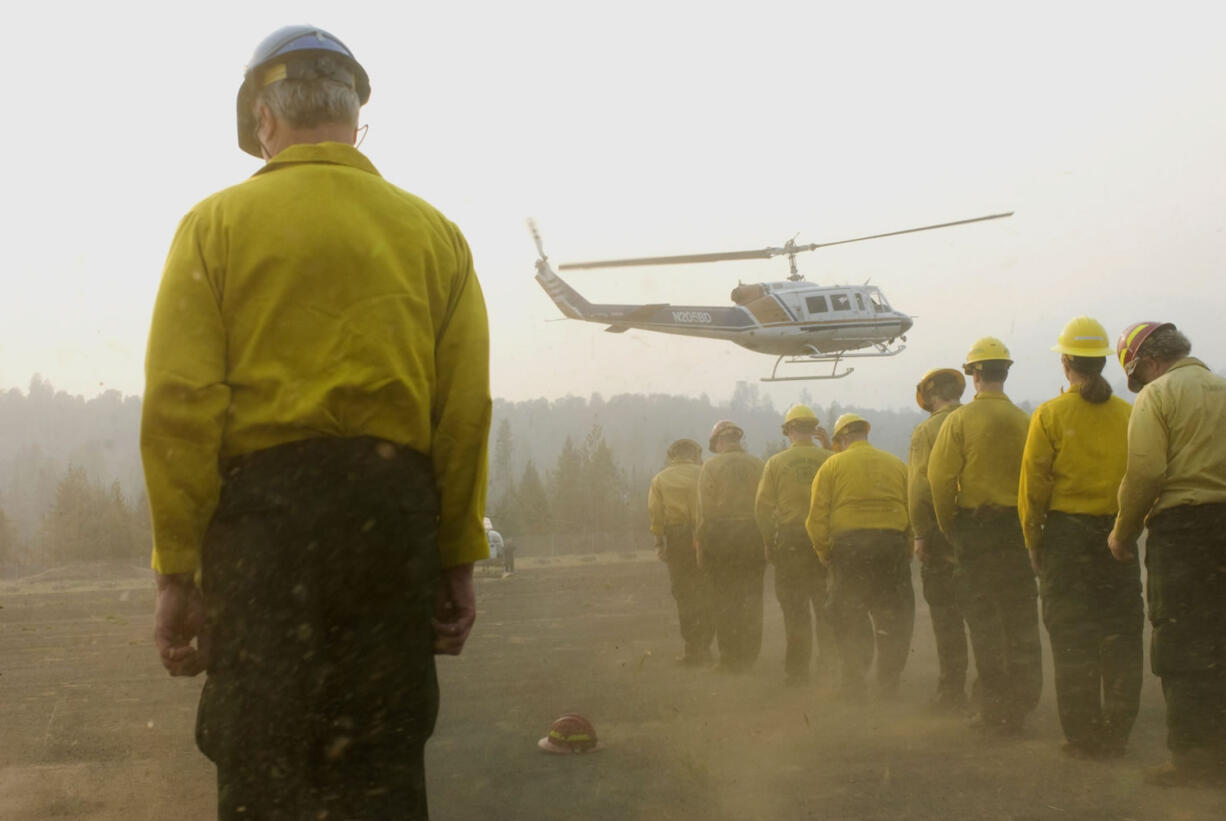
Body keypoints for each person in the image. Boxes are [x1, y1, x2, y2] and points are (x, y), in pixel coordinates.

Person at [142, 26, 490, 820]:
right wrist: (457, 557)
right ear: (355, 118)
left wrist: (176, 573)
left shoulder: (213, 227)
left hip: (264, 531)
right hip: (389, 522)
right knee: (382, 756)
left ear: (263, 120)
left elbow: (180, 409)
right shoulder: (437, 236)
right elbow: (463, 413)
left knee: (261, 754)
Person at [1108, 321, 1226, 786]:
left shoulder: (1157, 397)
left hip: (1184, 533)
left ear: (1148, 363)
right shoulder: (1222, 388)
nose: (1140, 386)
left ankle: (1193, 761)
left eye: (1138, 378)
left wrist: (1123, 531)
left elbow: (1145, 473)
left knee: (1181, 644)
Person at [1019, 317, 1140, 759]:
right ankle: (1118, 732)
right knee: (1122, 636)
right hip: (1116, 536)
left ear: (1066, 362)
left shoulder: (1049, 415)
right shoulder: (1128, 415)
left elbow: (1033, 487)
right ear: (1103, 362)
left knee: (1072, 638)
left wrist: (1033, 542)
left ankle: (1083, 736)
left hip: (1066, 540)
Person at [928, 337, 1041, 736]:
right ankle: (1022, 704)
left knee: (985, 622)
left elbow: (940, 480)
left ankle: (994, 709)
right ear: (1005, 372)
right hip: (1016, 529)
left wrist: (948, 526)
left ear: (973, 374)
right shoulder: (1024, 421)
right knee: (1019, 619)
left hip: (975, 530)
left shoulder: (958, 422)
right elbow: (1037, 480)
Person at [806, 413, 914, 700]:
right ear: (865, 434)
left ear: (840, 439)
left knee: (850, 616)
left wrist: (825, 553)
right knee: (894, 617)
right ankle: (888, 686)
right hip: (890, 546)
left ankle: (854, 684)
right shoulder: (896, 464)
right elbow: (911, 510)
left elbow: (815, 518)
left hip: (850, 548)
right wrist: (905, 547)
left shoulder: (832, 465)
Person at [755, 405, 837, 686]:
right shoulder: (829, 458)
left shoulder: (775, 463)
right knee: (825, 607)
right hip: (824, 540)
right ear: (814, 429)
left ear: (789, 430)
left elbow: (762, 508)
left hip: (790, 540)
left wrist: (768, 541)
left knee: (795, 610)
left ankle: (797, 673)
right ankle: (830, 668)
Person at [909, 368, 973, 710]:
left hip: (941, 530)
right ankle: (993, 690)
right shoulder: (977, 420)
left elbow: (920, 487)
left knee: (947, 617)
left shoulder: (927, 430)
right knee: (984, 612)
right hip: (985, 527)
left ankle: (952, 691)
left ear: (930, 396)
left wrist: (920, 534)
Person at [696, 420, 766, 672]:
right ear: (738, 439)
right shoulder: (759, 464)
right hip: (753, 535)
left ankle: (729, 657)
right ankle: (750, 655)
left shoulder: (711, 466)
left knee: (724, 598)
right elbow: (766, 504)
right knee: (752, 598)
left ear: (718, 442)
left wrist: (701, 545)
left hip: (722, 537)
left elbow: (706, 511)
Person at [649, 438, 714, 665]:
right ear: (694, 454)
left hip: (677, 539)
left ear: (672, 455)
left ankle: (692, 649)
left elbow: (656, 516)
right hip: (706, 536)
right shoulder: (706, 473)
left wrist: (660, 543)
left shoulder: (660, 479)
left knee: (684, 595)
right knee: (706, 591)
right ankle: (706, 646)